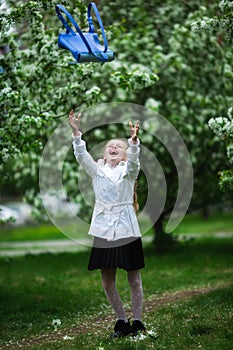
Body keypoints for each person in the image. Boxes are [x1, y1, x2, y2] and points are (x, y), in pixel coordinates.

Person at [69, 109, 146, 338]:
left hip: (126, 227)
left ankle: (138, 322)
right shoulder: (97, 170)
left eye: (118, 146)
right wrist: (76, 132)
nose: (113, 147)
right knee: (106, 280)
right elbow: (82, 157)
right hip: (104, 229)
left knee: (133, 277)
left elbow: (134, 163)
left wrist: (132, 144)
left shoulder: (129, 170)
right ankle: (121, 321)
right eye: (110, 145)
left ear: (123, 155)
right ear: (104, 152)